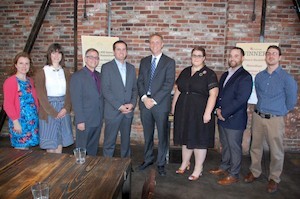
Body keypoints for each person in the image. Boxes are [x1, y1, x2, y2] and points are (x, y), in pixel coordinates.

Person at [244, 45, 297, 193]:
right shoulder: (260, 76)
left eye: (274, 54)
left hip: (275, 119)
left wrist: (280, 111)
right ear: (265, 57)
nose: (271, 56)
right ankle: (255, 171)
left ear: (279, 57)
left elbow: (291, 101)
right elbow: (259, 95)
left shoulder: (286, 78)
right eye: (268, 53)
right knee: (255, 146)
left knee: (276, 150)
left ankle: (274, 178)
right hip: (258, 116)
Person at [171, 46, 218, 181]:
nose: (196, 58)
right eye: (194, 55)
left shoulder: (209, 74)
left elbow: (213, 94)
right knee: (185, 138)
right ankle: (185, 163)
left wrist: (208, 113)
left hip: (200, 111)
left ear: (204, 58)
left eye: (199, 56)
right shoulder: (185, 71)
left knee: (199, 140)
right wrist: (174, 107)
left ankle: (198, 168)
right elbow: (178, 90)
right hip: (184, 110)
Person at [209, 47, 252, 185]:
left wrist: (224, 112)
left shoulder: (245, 76)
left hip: (235, 119)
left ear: (242, 58)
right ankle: (224, 166)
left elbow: (241, 99)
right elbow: (219, 95)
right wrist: (217, 109)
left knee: (234, 147)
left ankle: (234, 174)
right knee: (225, 145)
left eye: (236, 56)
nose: (232, 58)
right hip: (222, 117)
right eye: (231, 56)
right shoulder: (225, 74)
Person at [137, 33, 175, 176]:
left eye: (157, 42)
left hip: (160, 104)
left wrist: (153, 100)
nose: (154, 45)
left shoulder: (169, 62)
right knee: (148, 134)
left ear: (162, 44)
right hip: (145, 103)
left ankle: (160, 163)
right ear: (149, 44)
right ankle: (148, 159)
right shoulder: (144, 61)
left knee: (163, 135)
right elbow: (140, 81)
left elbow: (169, 83)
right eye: (152, 42)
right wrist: (144, 98)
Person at [34, 43, 74, 153]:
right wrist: (53, 112)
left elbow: (69, 93)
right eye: (53, 52)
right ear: (49, 55)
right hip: (48, 110)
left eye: (59, 52)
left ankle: (59, 166)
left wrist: (66, 108)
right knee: (51, 143)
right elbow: (41, 96)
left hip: (63, 108)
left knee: (60, 140)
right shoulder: (42, 72)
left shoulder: (65, 72)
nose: (56, 55)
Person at [101, 40, 138, 158]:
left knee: (126, 142)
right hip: (113, 111)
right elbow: (106, 90)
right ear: (114, 51)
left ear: (126, 52)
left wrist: (132, 104)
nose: (121, 52)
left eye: (123, 49)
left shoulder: (131, 68)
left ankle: (125, 166)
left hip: (128, 112)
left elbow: (134, 89)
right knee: (109, 142)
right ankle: (107, 167)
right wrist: (120, 106)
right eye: (118, 49)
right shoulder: (106, 67)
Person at [70, 48, 104, 156]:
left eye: (96, 57)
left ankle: (90, 169)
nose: (94, 59)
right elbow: (76, 100)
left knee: (93, 149)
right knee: (82, 149)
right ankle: (80, 171)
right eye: (91, 57)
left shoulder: (99, 76)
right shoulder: (77, 76)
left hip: (97, 119)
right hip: (84, 120)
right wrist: (80, 120)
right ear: (85, 59)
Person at [3, 52, 39, 149]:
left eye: (26, 63)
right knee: (20, 150)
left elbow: (34, 100)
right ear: (16, 65)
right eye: (21, 63)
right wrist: (15, 122)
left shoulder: (30, 81)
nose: (24, 66)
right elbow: (7, 104)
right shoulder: (10, 81)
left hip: (32, 121)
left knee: (27, 151)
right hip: (19, 121)